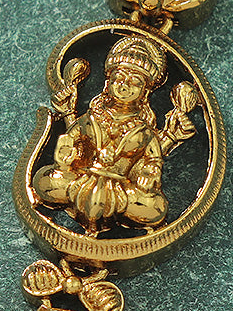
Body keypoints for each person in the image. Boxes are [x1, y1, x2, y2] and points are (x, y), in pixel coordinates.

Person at [33, 36, 168, 233]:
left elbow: (154, 161)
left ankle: (102, 220)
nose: (124, 86)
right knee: (44, 180)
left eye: (134, 82)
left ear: (145, 92)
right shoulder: (91, 118)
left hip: (122, 190)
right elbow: (69, 139)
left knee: (156, 207)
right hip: (81, 179)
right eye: (118, 79)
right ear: (107, 83)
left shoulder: (144, 132)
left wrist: (149, 174)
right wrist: (65, 156)